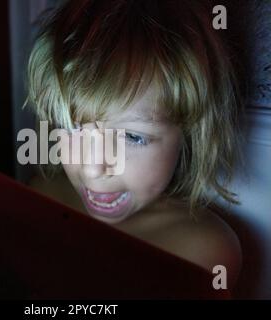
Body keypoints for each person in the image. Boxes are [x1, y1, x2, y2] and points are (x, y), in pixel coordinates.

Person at [24, 0, 243, 288]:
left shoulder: (203, 251)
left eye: (131, 136)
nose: (93, 168)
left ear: (189, 133)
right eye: (72, 127)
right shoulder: (40, 196)